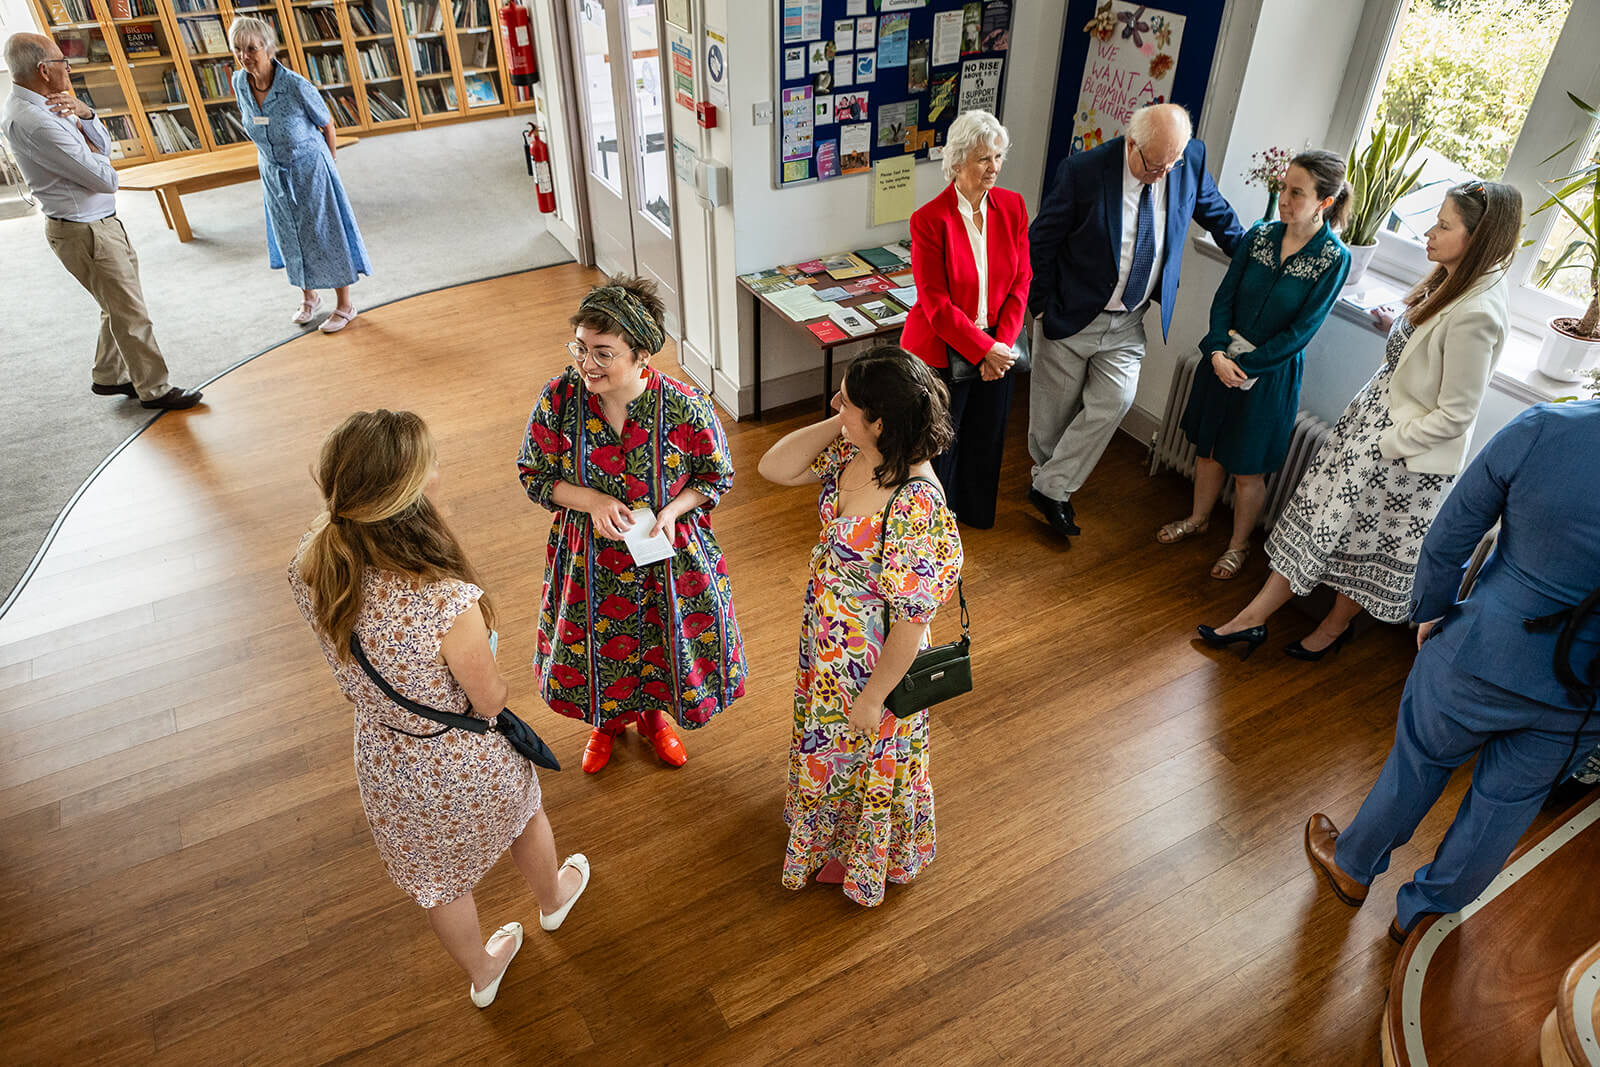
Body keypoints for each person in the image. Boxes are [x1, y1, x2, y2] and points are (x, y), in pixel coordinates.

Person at [288, 409, 589, 1007]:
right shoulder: (445, 599)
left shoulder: (311, 559)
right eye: (431, 466)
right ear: (408, 493)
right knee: (525, 815)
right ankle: (553, 900)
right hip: (460, 758)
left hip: (385, 755)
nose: (440, 473)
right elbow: (490, 699)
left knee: (438, 880)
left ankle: (483, 973)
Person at [1304, 400, 1600, 944]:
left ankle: (1351, 866)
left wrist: (1434, 608)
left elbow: (1453, 529)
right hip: (1584, 694)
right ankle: (1423, 916)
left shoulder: (1547, 427)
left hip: (1483, 647)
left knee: (1418, 761)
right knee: (1506, 807)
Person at [1199, 182, 1521, 659]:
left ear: (1479, 239)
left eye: (1444, 226)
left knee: (1360, 552)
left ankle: (1320, 628)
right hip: (1372, 431)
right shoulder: (1454, 280)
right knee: (1322, 528)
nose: (1430, 233)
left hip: (1399, 456)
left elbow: (1456, 415)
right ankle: (1257, 619)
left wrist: (1384, 444)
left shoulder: (1479, 312)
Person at [758, 347, 965, 907]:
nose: (833, 405)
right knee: (831, 747)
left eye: (844, 402)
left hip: (874, 660)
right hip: (829, 643)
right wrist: (845, 415)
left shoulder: (917, 502)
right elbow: (773, 467)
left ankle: (861, 853)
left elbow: (912, 619)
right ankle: (828, 835)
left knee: (865, 751)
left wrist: (875, 696)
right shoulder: (857, 455)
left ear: (881, 421)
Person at [516, 276, 746, 775]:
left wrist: (672, 510)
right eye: (580, 348)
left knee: (665, 638)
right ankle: (607, 721)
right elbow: (534, 475)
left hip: (668, 555)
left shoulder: (686, 405)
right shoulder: (559, 398)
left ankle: (655, 717)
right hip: (588, 562)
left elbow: (715, 476)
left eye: (602, 353)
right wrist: (592, 499)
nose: (586, 363)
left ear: (641, 354)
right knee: (596, 647)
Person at [1026, 103, 1243, 542]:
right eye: (1155, 164)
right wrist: (1042, 307)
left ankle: (1050, 489)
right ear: (1131, 143)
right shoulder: (1083, 172)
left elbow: (1220, 219)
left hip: (1129, 320)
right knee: (1052, 420)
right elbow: (1041, 241)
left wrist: (1262, 260)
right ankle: (1049, 486)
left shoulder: (1188, 161)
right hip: (1071, 314)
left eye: (1173, 163)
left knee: (1116, 400)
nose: (1164, 174)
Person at [1160, 150, 1352, 580]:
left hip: (1267, 378)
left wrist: (1246, 365)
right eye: (1283, 187)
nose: (1283, 199)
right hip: (1221, 362)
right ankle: (1198, 519)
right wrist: (1215, 352)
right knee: (1208, 453)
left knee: (1248, 468)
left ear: (1325, 201)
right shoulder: (1260, 236)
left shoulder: (1334, 259)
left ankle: (1238, 545)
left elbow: (1303, 330)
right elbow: (1224, 298)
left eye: (1296, 193)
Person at [1, 33, 201, 410]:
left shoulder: (50, 106)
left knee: (117, 305)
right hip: (85, 230)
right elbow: (108, 178)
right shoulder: (35, 122)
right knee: (131, 313)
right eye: (63, 61)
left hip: (96, 223)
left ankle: (108, 376)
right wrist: (92, 151)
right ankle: (155, 389)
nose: (69, 67)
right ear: (44, 71)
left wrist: (87, 116)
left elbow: (104, 151)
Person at [899, 109, 1031, 529]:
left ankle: (971, 518)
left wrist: (1001, 346)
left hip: (999, 348)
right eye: (983, 159)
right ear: (956, 163)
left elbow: (1021, 281)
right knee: (941, 444)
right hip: (941, 349)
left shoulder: (1013, 207)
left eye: (998, 157)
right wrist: (983, 349)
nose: (994, 168)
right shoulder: (928, 220)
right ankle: (931, 526)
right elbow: (935, 304)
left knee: (986, 437)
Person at [230, 16, 369, 333]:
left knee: (324, 235)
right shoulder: (240, 82)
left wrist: (329, 166)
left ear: (267, 47)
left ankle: (345, 304)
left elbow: (326, 123)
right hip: (272, 173)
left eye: (251, 48)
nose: (244, 56)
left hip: (309, 170)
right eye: (238, 49)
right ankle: (310, 297)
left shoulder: (294, 85)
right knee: (290, 235)